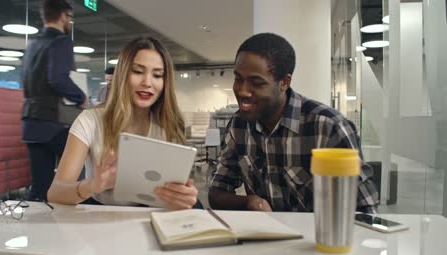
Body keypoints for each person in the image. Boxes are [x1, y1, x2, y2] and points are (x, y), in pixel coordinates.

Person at [208, 33, 379, 213]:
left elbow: (366, 209)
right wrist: (249, 202)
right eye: (238, 79)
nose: (242, 91)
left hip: (320, 237)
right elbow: (216, 191)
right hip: (265, 237)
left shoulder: (328, 127)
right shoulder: (238, 125)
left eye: (256, 83)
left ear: (284, 83)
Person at [47, 36, 199, 210]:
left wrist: (182, 197)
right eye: (138, 71)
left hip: (150, 216)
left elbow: (174, 193)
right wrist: (92, 186)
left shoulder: (168, 126)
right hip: (99, 215)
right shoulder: (90, 121)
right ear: (123, 75)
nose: (147, 83)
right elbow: (55, 193)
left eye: (157, 75)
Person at [21, 0, 87, 201]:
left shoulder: (32, 46)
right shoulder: (62, 42)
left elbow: (25, 81)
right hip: (53, 122)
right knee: (78, 176)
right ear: (63, 16)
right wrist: (80, 96)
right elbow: (57, 78)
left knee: (40, 187)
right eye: (69, 18)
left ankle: (36, 231)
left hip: (30, 123)